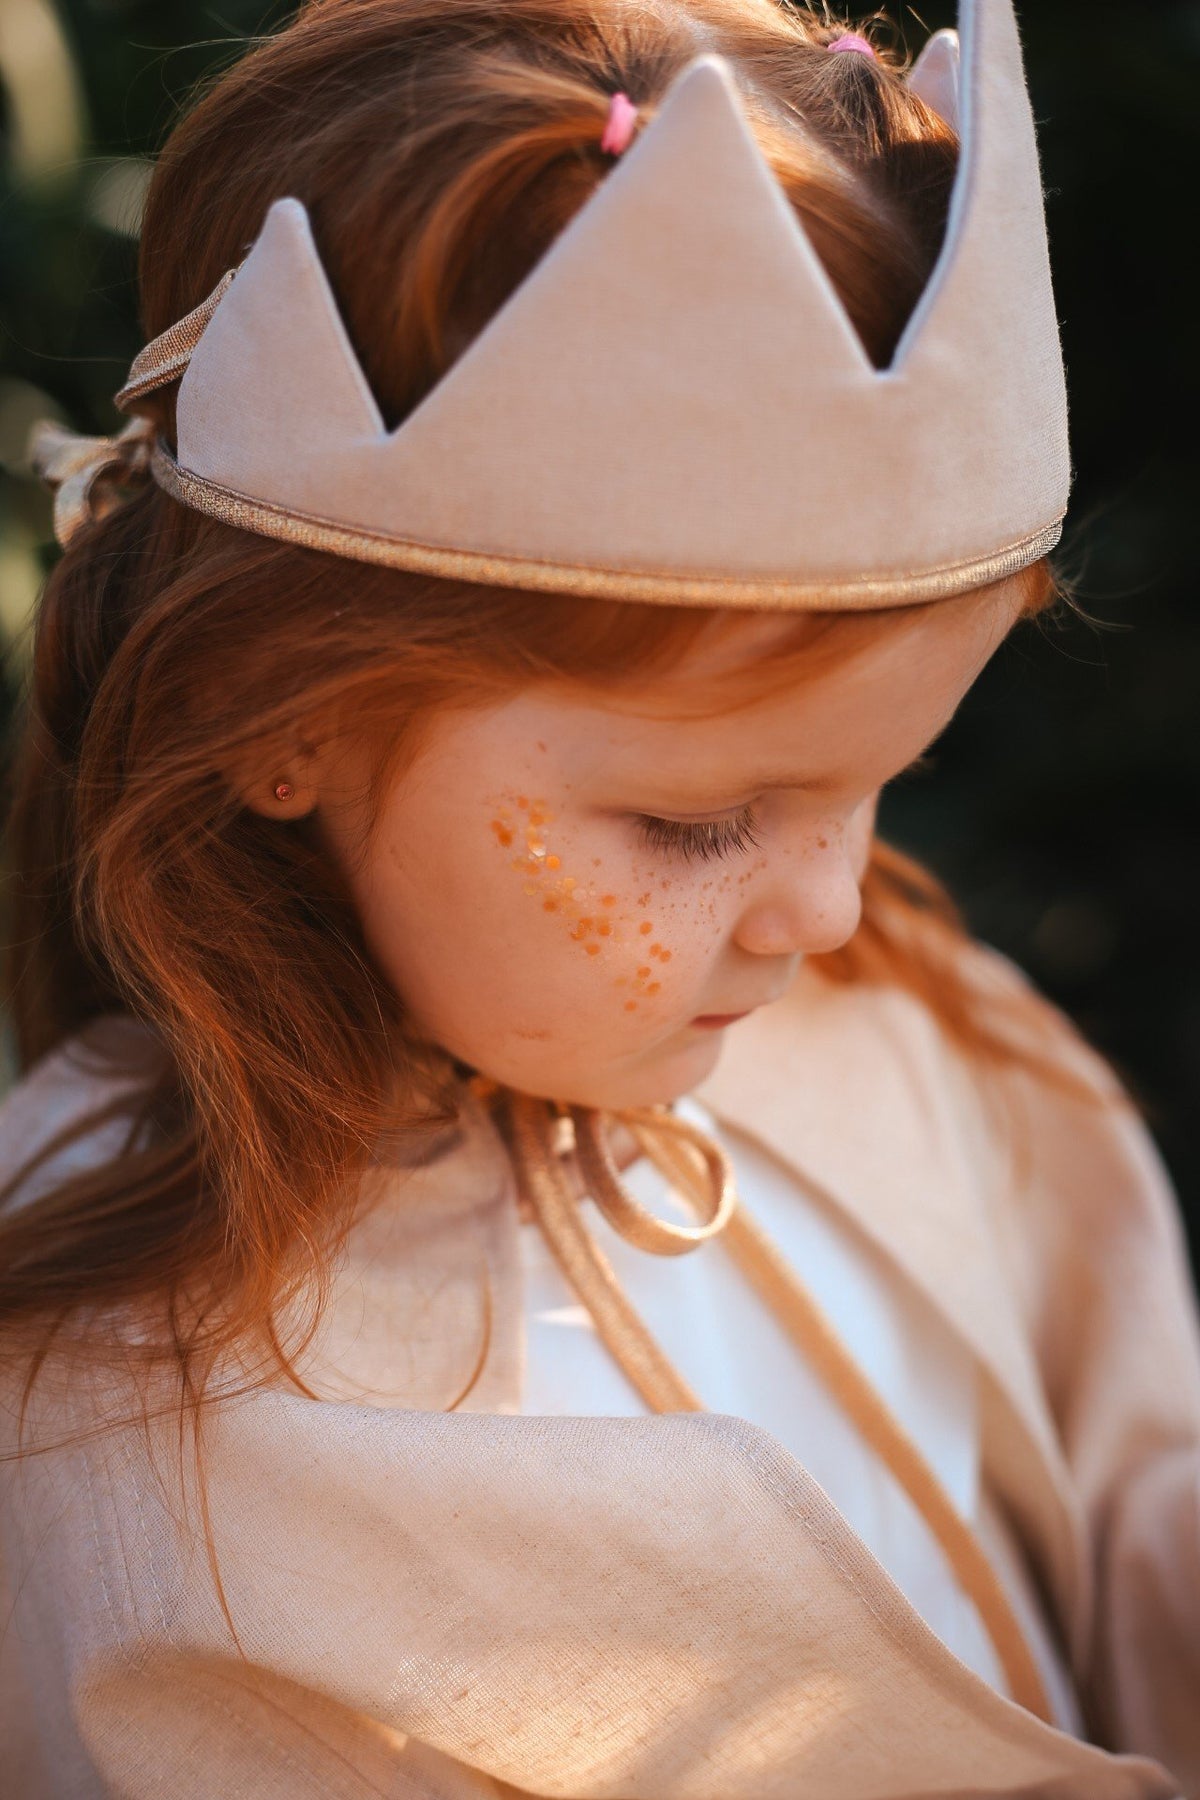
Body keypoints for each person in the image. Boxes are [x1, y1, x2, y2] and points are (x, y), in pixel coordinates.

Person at [2, 0, 1198, 1793]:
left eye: (885, 779)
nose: (830, 909)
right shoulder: (134, 1410)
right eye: (704, 819)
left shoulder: (914, 1035)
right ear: (282, 724)